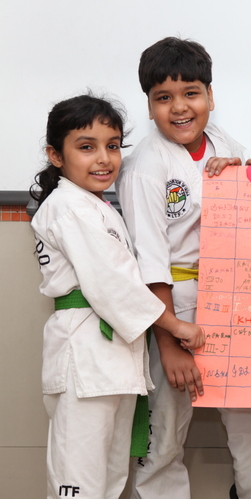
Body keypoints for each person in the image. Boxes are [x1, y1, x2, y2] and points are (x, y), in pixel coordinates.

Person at [116, 37, 251, 499]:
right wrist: (169, 345)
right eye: (163, 98)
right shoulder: (144, 165)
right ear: (149, 106)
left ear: (210, 95)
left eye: (191, 93)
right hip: (174, 305)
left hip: (235, 301)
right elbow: (150, 261)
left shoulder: (223, 143)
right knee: (166, 429)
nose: (179, 107)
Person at [30, 95, 205, 499]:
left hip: (112, 361)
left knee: (109, 479)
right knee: (80, 480)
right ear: (56, 155)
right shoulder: (68, 207)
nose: (103, 158)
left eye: (112, 145)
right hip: (85, 357)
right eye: (86, 147)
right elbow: (113, 285)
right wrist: (176, 326)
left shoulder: (97, 206)